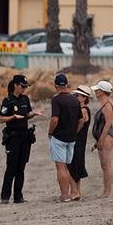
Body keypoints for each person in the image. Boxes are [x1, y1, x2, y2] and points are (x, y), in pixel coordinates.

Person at [0, 74, 38, 204]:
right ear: (15, 85)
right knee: (11, 167)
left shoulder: (25, 99)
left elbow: (27, 115)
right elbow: (1, 119)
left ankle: (18, 196)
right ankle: (5, 196)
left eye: (26, 87)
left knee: (21, 167)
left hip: (24, 137)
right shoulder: (8, 100)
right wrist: (13, 117)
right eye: (22, 86)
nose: (24, 89)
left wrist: (34, 114)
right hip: (13, 137)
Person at [47, 73, 82, 202]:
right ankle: (74, 192)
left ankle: (64, 195)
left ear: (56, 86)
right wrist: (75, 132)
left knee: (61, 167)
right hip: (71, 138)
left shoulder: (56, 100)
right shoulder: (75, 99)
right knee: (67, 166)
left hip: (59, 137)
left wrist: (50, 132)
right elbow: (81, 120)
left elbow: (55, 119)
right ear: (66, 85)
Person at [90, 80, 113, 197]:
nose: (95, 92)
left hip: (106, 137)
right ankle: (105, 190)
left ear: (103, 91)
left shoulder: (107, 105)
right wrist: (97, 142)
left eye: (97, 90)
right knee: (104, 165)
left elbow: (107, 124)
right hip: (102, 137)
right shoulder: (104, 104)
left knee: (107, 165)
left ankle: (108, 191)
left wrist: (101, 139)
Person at [68, 85, 92, 193]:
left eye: (77, 95)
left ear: (84, 97)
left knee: (73, 164)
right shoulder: (82, 109)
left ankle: (74, 191)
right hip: (80, 140)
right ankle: (77, 191)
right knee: (77, 164)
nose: (75, 97)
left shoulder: (83, 110)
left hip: (78, 140)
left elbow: (79, 123)